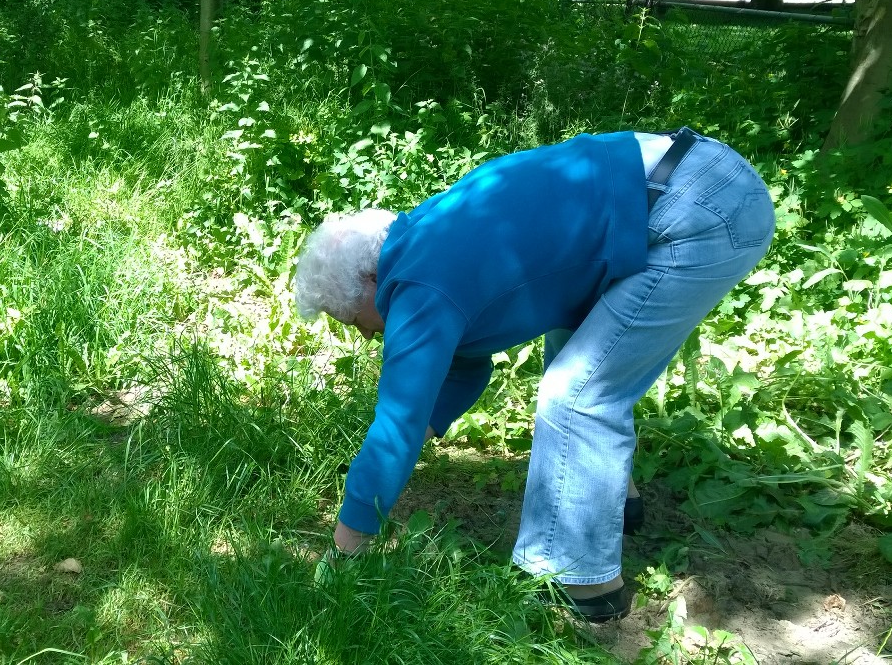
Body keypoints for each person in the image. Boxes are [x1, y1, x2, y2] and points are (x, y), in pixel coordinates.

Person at [293, 128, 774, 621]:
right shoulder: (426, 236)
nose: (368, 337)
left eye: (355, 321)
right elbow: (462, 364)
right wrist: (422, 430)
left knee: (577, 394)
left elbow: (396, 426)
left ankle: (588, 586)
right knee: (577, 349)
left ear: (371, 280)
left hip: (701, 213)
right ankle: (620, 505)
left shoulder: (418, 287)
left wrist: (343, 551)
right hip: (690, 178)